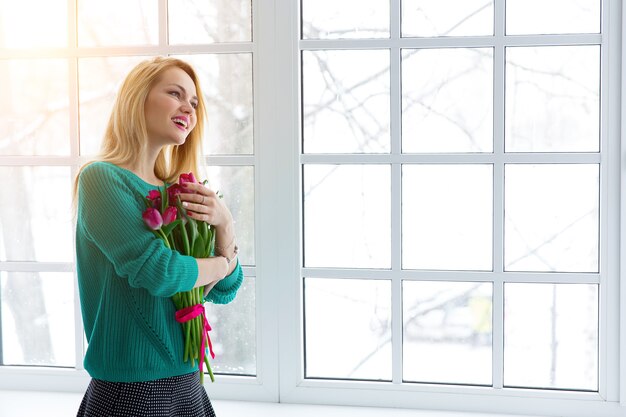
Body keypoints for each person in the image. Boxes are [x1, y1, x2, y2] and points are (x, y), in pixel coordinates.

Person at [74, 56, 244, 416]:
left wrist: (225, 226)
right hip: (130, 392)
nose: (189, 108)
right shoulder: (102, 179)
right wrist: (220, 263)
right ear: (139, 99)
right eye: (175, 93)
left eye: (195, 102)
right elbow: (160, 271)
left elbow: (226, 289)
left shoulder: (177, 192)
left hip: (188, 386)